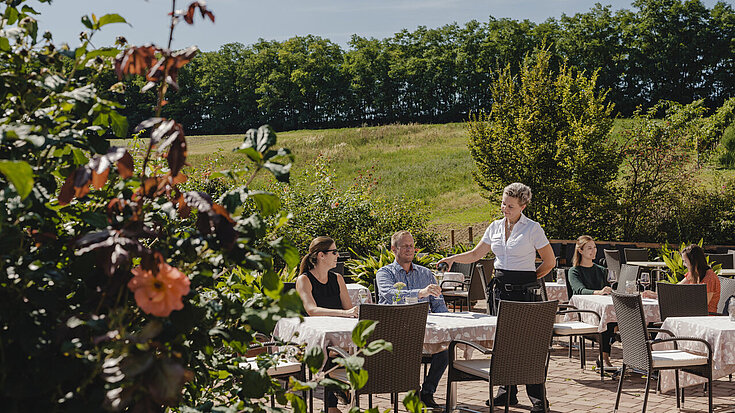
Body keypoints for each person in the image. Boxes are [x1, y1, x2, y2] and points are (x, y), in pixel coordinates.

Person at [438, 182, 555, 413]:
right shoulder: (494, 227)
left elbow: (549, 262)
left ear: (523, 206)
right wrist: (453, 258)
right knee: (502, 342)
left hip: (524, 292)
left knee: (528, 344)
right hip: (499, 290)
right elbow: (476, 254)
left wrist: (530, 280)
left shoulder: (533, 229)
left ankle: (539, 399)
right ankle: (506, 392)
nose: (505, 208)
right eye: (503, 203)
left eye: (510, 205)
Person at [375, 230, 447, 409]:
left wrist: (446, 320)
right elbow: (391, 296)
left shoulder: (426, 274)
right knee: (410, 348)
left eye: (412, 246)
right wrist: (421, 293)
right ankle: (412, 393)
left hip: (426, 328)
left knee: (446, 349)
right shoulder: (384, 273)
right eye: (405, 246)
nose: (409, 249)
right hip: (395, 330)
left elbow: (438, 303)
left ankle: (427, 392)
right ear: (394, 249)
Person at [295, 236, 357, 413]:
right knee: (329, 349)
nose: (338, 255)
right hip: (312, 340)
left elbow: (349, 309)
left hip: (336, 337)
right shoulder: (304, 280)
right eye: (334, 252)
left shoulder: (337, 278)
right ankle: (332, 404)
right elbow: (311, 310)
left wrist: (353, 312)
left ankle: (339, 395)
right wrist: (345, 313)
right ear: (321, 255)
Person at [567, 235, 616, 368]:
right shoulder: (574, 271)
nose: (593, 250)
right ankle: (604, 357)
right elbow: (579, 290)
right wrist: (598, 292)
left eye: (594, 247)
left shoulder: (601, 270)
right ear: (580, 251)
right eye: (589, 248)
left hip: (603, 311)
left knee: (613, 318)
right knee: (608, 320)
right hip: (585, 314)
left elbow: (611, 289)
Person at [642, 244, 721, 313]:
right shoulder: (693, 274)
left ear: (694, 262)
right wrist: (654, 295)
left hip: (705, 318)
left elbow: (702, 305)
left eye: (685, 262)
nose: (684, 264)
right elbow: (676, 289)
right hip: (689, 313)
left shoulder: (710, 278)